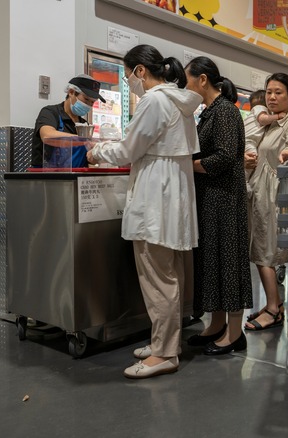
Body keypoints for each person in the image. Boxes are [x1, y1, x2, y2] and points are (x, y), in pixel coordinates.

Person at [86, 44, 201, 379]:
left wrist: (97, 151)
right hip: (174, 194)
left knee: (157, 278)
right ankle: (165, 342)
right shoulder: (180, 102)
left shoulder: (153, 101)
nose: (129, 83)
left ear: (140, 71)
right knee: (170, 276)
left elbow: (127, 150)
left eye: (127, 75)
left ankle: (165, 353)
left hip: (156, 196)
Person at [183, 56, 253, 355]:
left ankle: (235, 333)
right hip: (211, 200)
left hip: (225, 200)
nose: (186, 87)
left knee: (229, 263)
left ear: (202, 80)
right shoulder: (210, 112)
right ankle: (216, 324)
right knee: (212, 262)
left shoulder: (224, 112)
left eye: (188, 80)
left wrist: (188, 165)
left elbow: (224, 156)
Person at [244, 73, 288, 331]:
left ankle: (274, 308)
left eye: (279, 92)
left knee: (265, 250)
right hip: (259, 190)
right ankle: (273, 303)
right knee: (259, 247)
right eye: (269, 92)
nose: (272, 97)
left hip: (276, 193)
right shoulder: (266, 121)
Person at [31, 74, 105, 169]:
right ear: (71, 92)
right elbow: (47, 136)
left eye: (92, 102)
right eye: (86, 99)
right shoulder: (50, 113)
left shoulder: (85, 124)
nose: (88, 105)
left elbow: (89, 158)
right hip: (48, 178)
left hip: (77, 178)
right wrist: (82, 140)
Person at [244, 90, 281, 184]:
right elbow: (263, 120)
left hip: (246, 141)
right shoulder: (260, 108)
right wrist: (277, 116)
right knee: (251, 160)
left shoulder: (253, 112)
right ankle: (244, 183)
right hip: (249, 141)